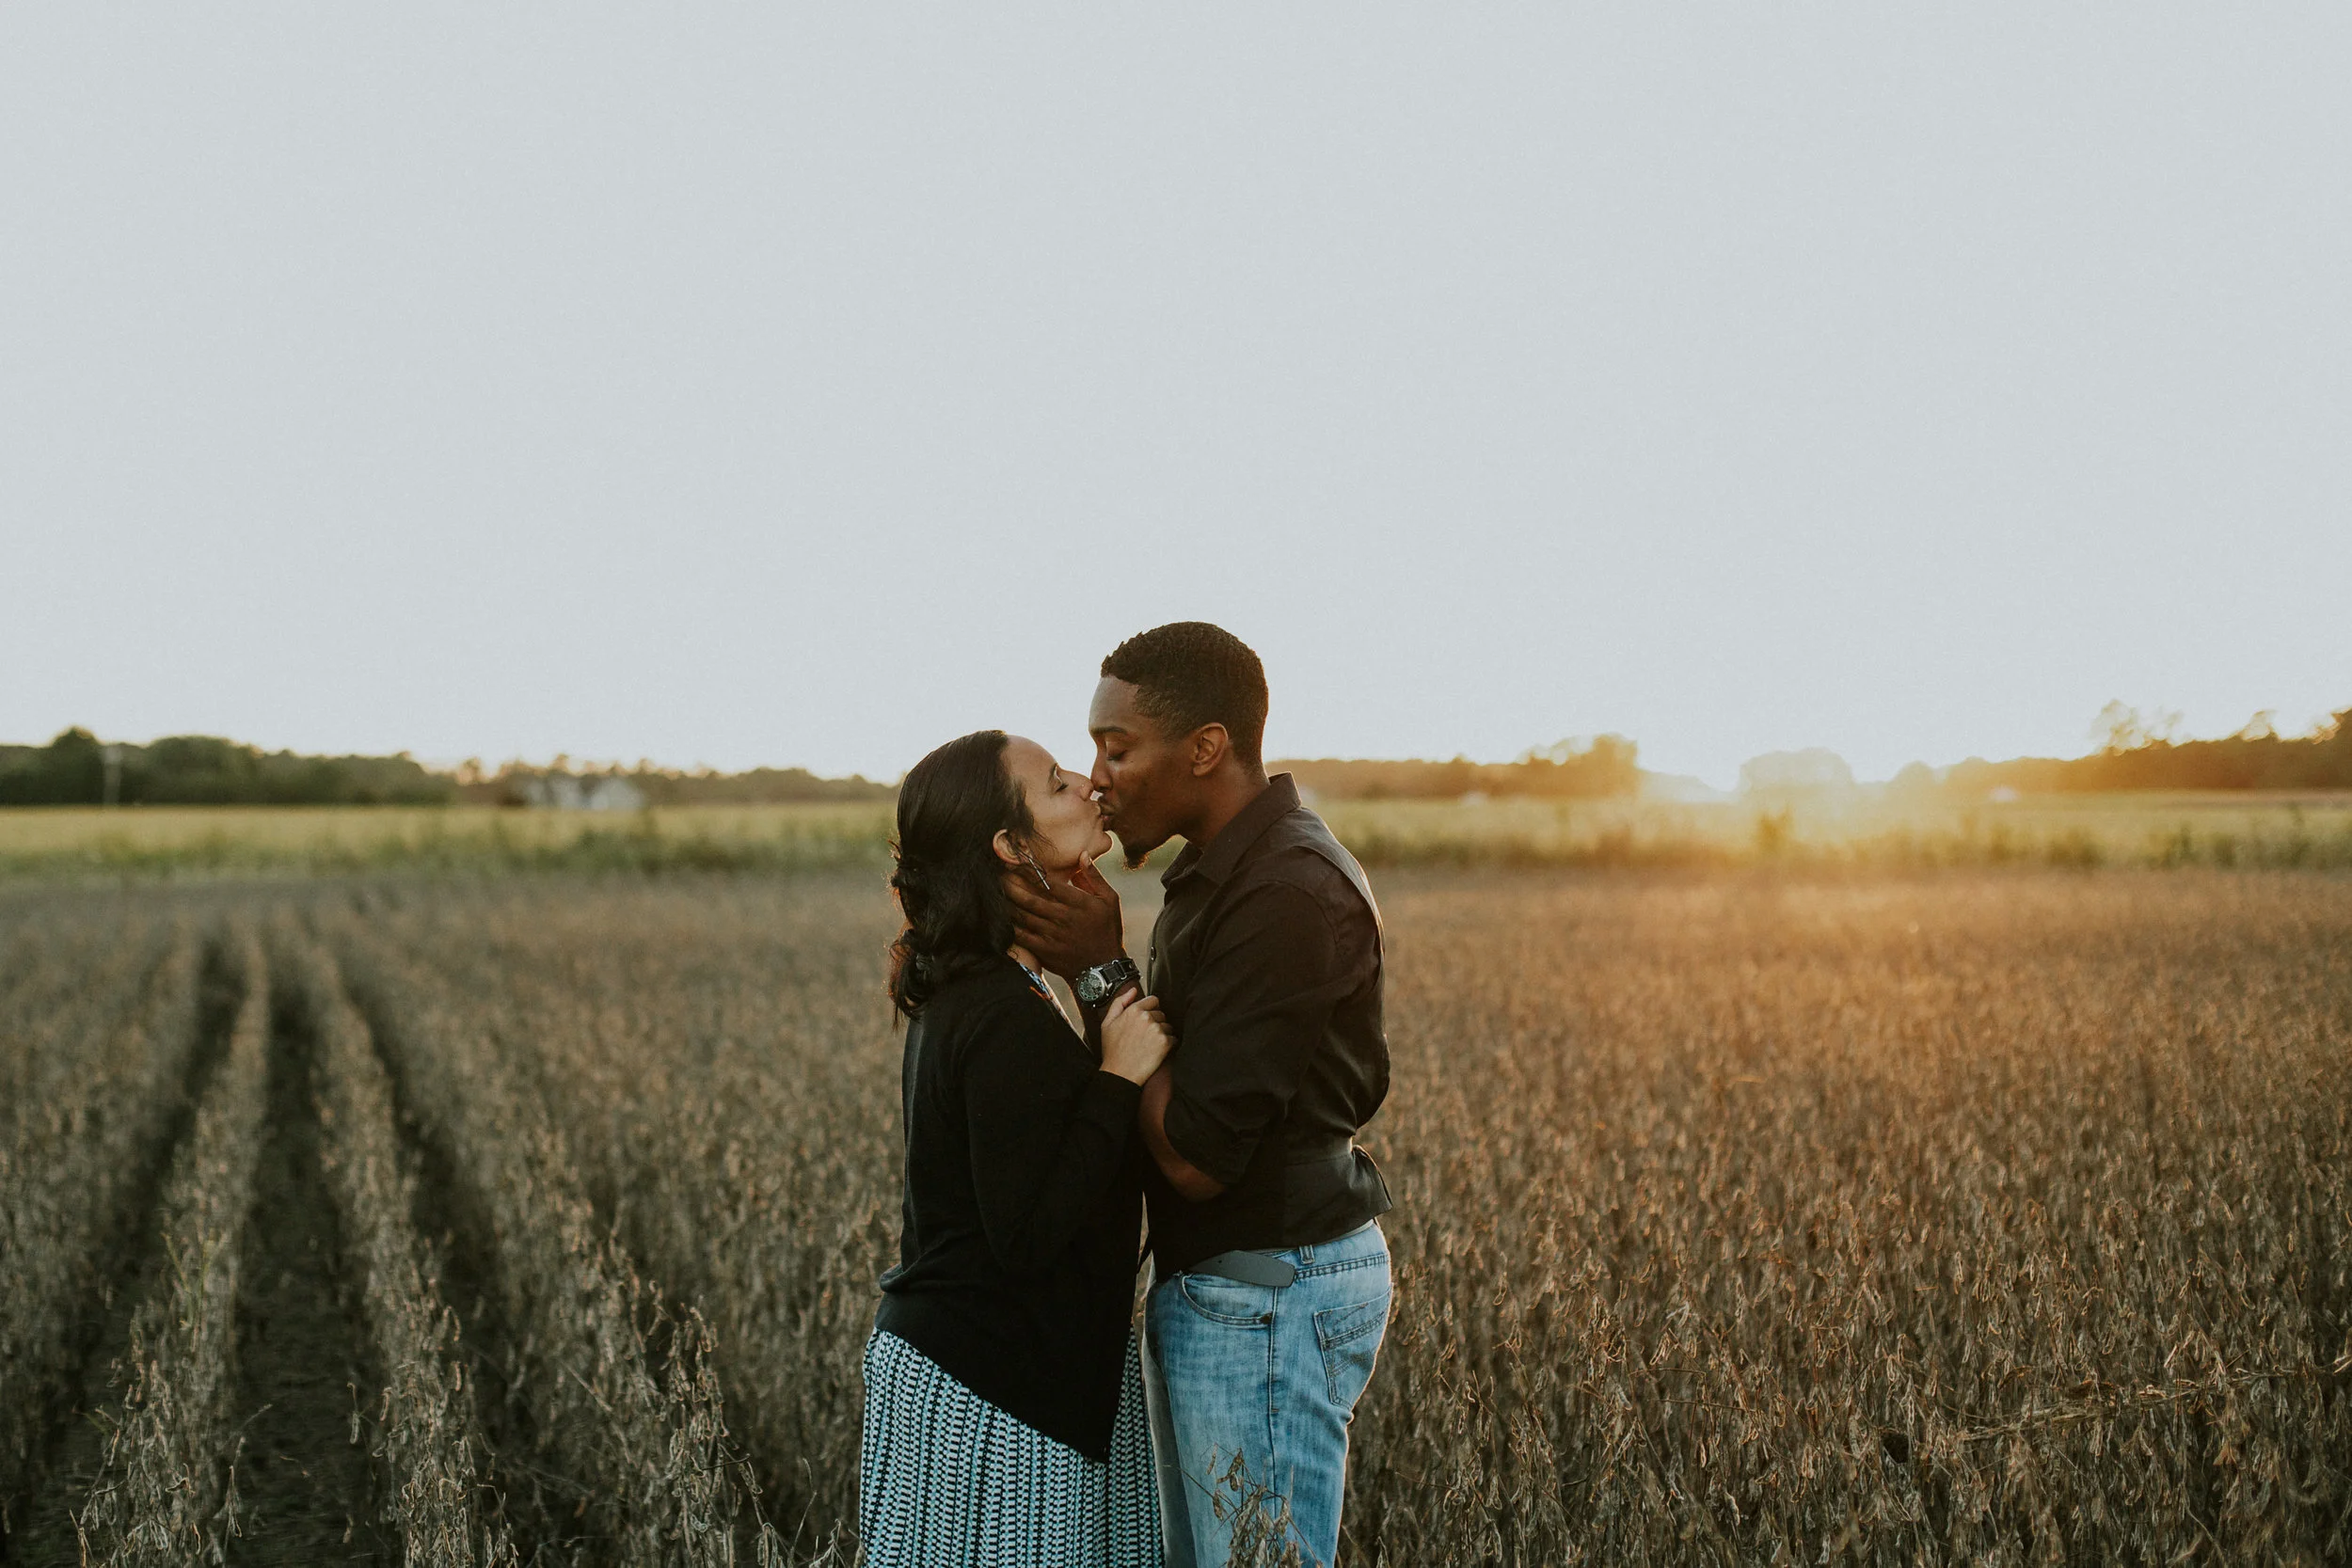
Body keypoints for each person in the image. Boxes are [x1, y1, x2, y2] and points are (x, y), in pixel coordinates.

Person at [1009, 623, 1395, 1568]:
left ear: (1206, 747)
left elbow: (1192, 1156)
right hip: (1244, 1285)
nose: (1097, 775)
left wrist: (1100, 970)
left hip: (1269, 1290)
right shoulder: (1229, 872)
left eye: (1117, 745)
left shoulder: (1286, 893)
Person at [862, 729, 1172, 1568]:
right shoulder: (998, 1009)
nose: (1087, 783)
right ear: (1010, 844)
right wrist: (1116, 1078)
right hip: (989, 1395)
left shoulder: (1000, 987)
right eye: (1055, 783)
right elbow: (1027, 1233)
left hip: (992, 1375)